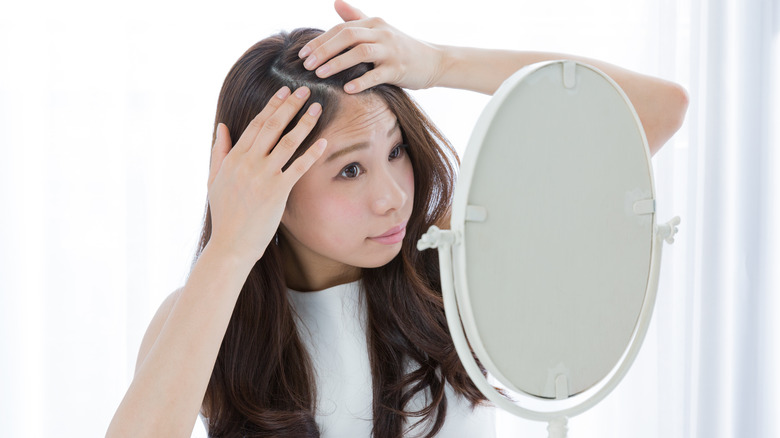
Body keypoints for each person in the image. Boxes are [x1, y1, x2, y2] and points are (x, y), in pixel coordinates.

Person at [106, 1, 688, 437]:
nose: (391, 199)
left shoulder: (455, 268)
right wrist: (230, 247)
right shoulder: (210, 319)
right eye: (349, 172)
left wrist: (440, 63)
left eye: (395, 152)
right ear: (268, 185)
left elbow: (658, 109)